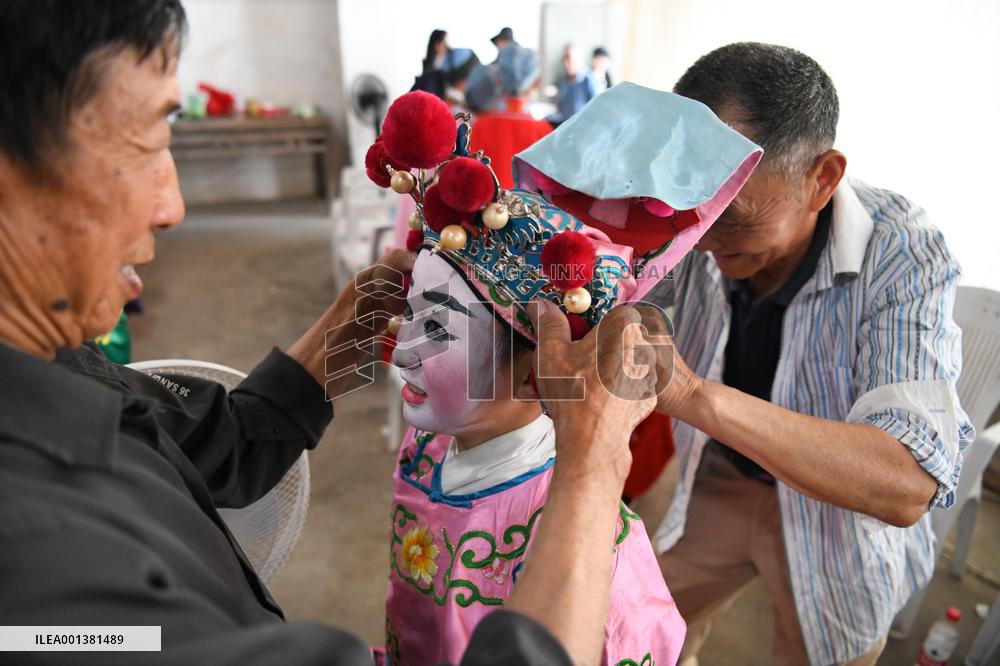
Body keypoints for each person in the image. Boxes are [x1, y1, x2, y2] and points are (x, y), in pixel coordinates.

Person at [0, 2, 670, 664]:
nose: (173, 206)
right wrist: (593, 468)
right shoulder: (44, 594)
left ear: (533, 373)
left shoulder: (56, 372)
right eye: (147, 137)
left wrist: (351, 322)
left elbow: (222, 442)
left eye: (432, 321)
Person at [524, 42, 974, 665]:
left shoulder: (904, 252)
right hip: (721, 479)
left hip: (839, 515)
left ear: (822, 179)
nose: (703, 242)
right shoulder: (688, 227)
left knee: (828, 650)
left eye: (732, 218)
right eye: (688, 212)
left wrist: (689, 394)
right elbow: (601, 275)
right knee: (640, 634)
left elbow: (906, 484)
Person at [365, 96, 698, 664]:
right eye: (413, 312)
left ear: (533, 375)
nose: (405, 353)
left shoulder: (592, 544)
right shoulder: (424, 447)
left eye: (439, 330)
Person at [465, 45, 552, 189]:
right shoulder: (545, 133)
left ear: (497, 79)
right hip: (530, 211)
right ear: (537, 83)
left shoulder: (478, 127)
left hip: (486, 211)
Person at [547, 45, 598, 127]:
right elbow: (559, 108)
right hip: (565, 128)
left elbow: (597, 109)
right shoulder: (564, 81)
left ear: (579, 59)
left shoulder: (589, 80)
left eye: (569, 59)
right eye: (564, 59)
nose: (565, 63)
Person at [410, 29, 449, 99]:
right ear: (437, 45)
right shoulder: (432, 71)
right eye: (445, 44)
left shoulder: (441, 67)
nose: (448, 48)